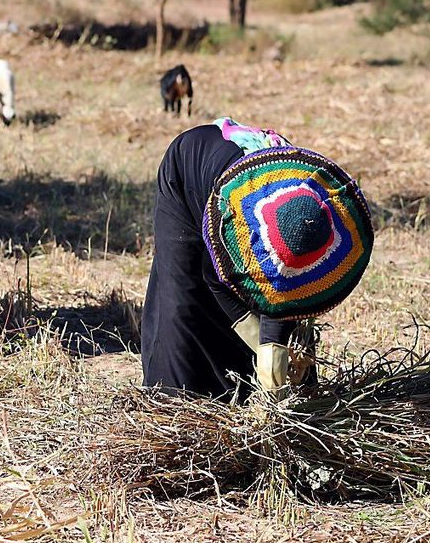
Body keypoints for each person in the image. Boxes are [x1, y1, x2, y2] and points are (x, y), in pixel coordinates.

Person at [140, 118, 374, 399]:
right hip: (188, 172)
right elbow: (213, 276)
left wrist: (286, 349)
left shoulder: (320, 214)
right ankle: (174, 397)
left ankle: (263, 391)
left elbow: (296, 295)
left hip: (265, 193)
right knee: (183, 300)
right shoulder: (238, 226)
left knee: (292, 299)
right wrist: (261, 343)